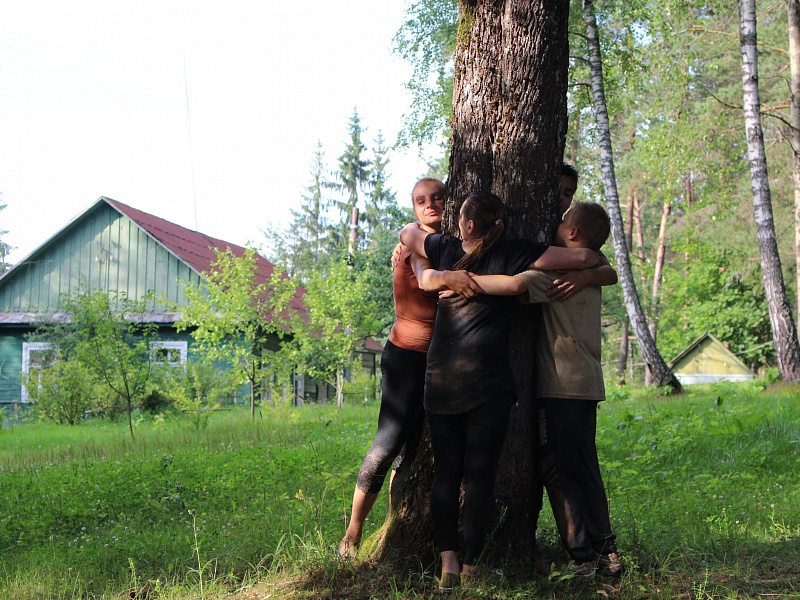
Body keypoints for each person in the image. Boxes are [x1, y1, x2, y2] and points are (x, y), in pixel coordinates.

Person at [400, 191, 599, 590]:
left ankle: (449, 565)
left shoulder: (445, 247)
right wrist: (589, 272)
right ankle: (473, 567)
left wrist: (434, 272)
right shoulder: (516, 252)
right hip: (487, 385)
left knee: (445, 475)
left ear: (469, 225)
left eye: (460, 216)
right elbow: (584, 256)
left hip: (440, 379)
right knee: (479, 478)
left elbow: (407, 234)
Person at [465, 202, 621, 578]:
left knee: (558, 468)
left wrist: (459, 279)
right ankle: (606, 551)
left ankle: (581, 557)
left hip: (560, 386)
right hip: (588, 382)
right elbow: (606, 269)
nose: (557, 219)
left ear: (571, 235)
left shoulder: (555, 273)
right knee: (585, 466)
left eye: (564, 219)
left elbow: (515, 284)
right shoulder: (590, 266)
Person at [338, 178, 479, 558]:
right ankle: (351, 535)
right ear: (414, 207)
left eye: (437, 198)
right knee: (388, 443)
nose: (430, 205)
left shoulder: (450, 244)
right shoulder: (412, 240)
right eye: (421, 200)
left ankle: (394, 521)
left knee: (413, 450)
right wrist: (449, 278)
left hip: (442, 360)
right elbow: (422, 274)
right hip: (406, 355)